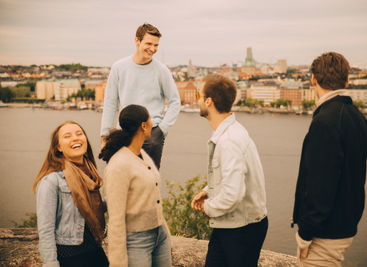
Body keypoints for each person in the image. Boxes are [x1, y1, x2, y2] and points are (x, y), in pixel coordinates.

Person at [292, 52, 367, 266]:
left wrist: (305, 233)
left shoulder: (325, 122)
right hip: (346, 224)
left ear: (313, 80)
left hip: (325, 232)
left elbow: (320, 185)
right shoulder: (358, 118)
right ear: (347, 81)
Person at [191, 74, 268, 267]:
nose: (197, 101)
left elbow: (233, 195)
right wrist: (208, 191)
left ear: (208, 102)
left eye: (199, 96)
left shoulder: (229, 141)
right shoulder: (231, 132)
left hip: (241, 229)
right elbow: (233, 176)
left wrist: (208, 207)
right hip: (234, 224)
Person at [99, 104, 171, 267]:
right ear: (144, 126)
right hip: (136, 241)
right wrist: (118, 262)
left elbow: (155, 199)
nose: (153, 123)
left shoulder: (142, 155)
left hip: (159, 236)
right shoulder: (118, 165)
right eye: (150, 119)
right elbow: (115, 218)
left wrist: (166, 235)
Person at [100, 23, 181, 169]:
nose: (153, 49)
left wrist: (162, 130)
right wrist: (105, 135)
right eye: (149, 43)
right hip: (123, 133)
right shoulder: (118, 68)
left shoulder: (162, 71)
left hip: (151, 135)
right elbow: (110, 103)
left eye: (156, 45)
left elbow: (175, 101)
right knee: (122, 178)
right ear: (137, 41)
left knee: (149, 182)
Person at [33, 121, 108, 267]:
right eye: (67, 136)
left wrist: (119, 198)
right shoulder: (51, 181)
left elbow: (89, 209)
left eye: (79, 134)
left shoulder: (90, 174)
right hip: (71, 257)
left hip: (95, 250)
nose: (75, 138)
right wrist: (51, 263)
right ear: (59, 147)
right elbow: (46, 229)